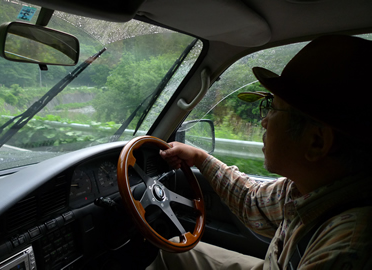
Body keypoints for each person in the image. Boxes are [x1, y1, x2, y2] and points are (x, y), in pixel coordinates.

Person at [147, 35, 372, 269]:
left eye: (273, 109)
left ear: (316, 142)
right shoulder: (308, 188)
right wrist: (200, 158)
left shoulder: (347, 249)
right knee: (174, 251)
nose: (264, 122)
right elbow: (250, 200)